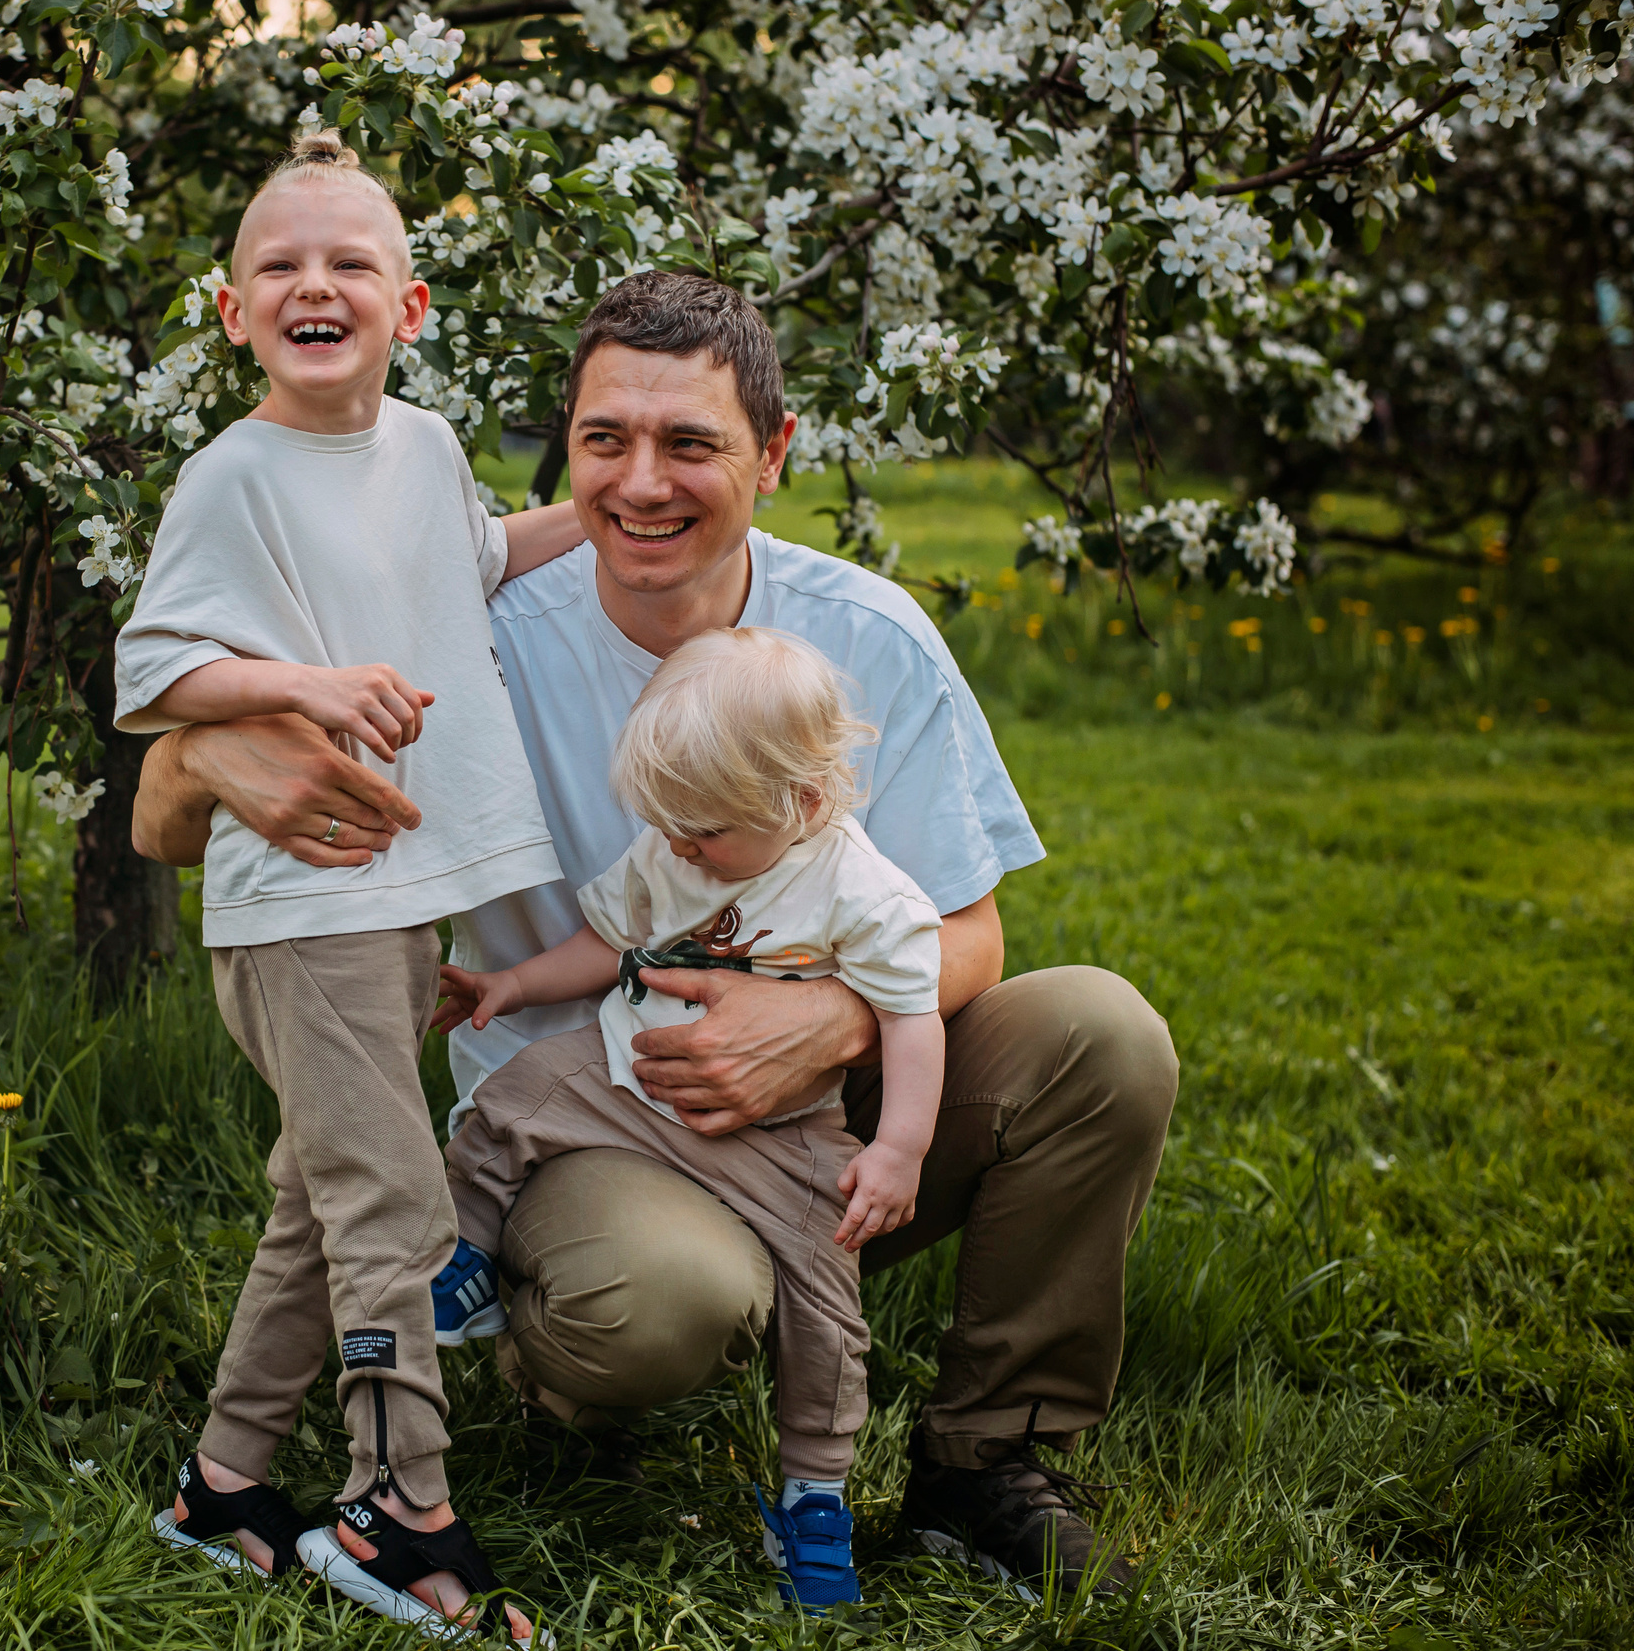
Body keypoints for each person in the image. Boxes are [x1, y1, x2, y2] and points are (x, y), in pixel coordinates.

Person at [132, 269, 1182, 1599]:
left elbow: (966, 932)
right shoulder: (473, 642)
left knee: (1100, 1036)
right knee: (661, 1301)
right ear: (565, 444)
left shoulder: (862, 634)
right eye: (604, 439)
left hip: (828, 1112)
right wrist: (208, 753)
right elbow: (162, 820)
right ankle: (562, 1351)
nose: (641, 483)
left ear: (773, 450)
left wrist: (832, 1021)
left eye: (690, 442)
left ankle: (987, 1459)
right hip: (585, 1118)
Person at [115, 129, 580, 1641]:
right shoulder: (231, 476)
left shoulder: (427, 446)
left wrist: (617, 503)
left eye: (349, 263)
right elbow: (155, 669)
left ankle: (223, 1484)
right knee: (390, 1194)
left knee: (320, 1200)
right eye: (280, 266)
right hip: (302, 900)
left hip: (402, 893)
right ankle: (397, 1504)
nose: (314, 285)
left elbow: (474, 558)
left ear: (410, 305)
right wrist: (304, 685)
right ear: (233, 311)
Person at [433, 625, 947, 1607]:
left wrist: (899, 1146)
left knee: (829, 1304)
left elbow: (910, 1020)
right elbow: (607, 940)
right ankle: (464, 1259)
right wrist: (512, 982)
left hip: (782, 1136)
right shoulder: (676, 843)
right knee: (515, 1096)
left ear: (803, 801)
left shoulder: (862, 890)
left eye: (702, 832)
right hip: (629, 1078)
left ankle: (814, 1495)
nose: (677, 847)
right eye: (666, 824)